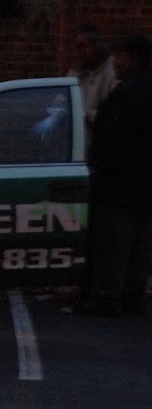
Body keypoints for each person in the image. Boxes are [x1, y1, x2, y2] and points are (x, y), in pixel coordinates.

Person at [74, 34, 152, 316]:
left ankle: (107, 298)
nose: (115, 63)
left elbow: (110, 136)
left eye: (119, 57)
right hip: (144, 182)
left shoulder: (127, 94)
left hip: (119, 181)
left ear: (134, 58)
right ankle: (133, 296)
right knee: (140, 243)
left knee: (114, 244)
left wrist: (98, 165)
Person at [67, 23, 118, 138]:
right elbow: (61, 103)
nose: (86, 52)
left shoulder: (113, 72)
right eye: (80, 47)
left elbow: (113, 113)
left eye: (90, 46)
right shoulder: (75, 72)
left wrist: (83, 116)